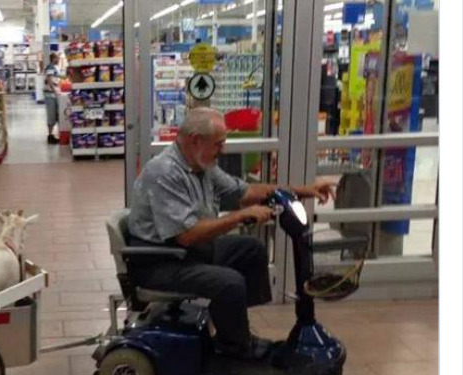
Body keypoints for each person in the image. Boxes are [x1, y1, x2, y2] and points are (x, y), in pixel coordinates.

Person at [127, 108, 335, 360]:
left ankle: (233, 327)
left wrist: (302, 190)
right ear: (195, 140)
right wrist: (239, 216)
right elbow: (187, 235)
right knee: (229, 282)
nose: (222, 150)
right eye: (219, 144)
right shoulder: (165, 172)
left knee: (251, 249)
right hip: (161, 261)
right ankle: (235, 349)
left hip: (188, 253)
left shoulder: (201, 166)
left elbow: (244, 192)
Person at [43, 52, 60, 144]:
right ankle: (50, 135)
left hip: (52, 94)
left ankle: (53, 134)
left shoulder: (53, 67)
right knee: (51, 115)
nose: (59, 60)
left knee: (54, 114)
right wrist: (55, 91)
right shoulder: (50, 67)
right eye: (58, 58)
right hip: (50, 95)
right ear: (53, 59)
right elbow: (49, 80)